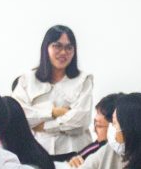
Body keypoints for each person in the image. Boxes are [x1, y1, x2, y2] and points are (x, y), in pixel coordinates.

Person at [10, 25, 95, 156]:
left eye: (69, 47)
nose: (63, 52)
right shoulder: (27, 80)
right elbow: (18, 116)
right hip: (38, 153)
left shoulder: (84, 80)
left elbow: (80, 121)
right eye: (57, 46)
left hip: (76, 154)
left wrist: (43, 126)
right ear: (46, 48)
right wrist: (53, 112)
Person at [63, 94, 120, 168]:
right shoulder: (96, 146)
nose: (96, 118)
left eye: (100, 127)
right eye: (97, 113)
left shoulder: (101, 150)